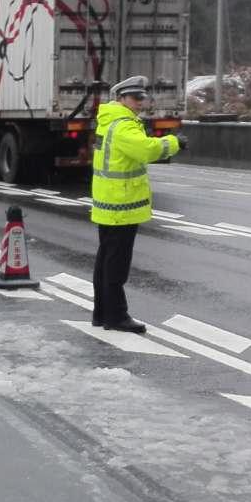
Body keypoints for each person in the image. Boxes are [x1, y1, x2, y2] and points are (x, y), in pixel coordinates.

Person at [89, 75, 185, 332]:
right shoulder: (123, 125)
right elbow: (145, 150)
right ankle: (116, 316)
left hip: (109, 202)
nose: (140, 103)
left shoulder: (109, 121)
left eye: (142, 98)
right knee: (116, 264)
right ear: (121, 99)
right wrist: (174, 143)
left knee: (105, 260)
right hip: (122, 204)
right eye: (135, 98)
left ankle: (101, 313)